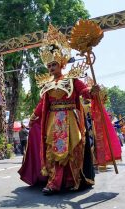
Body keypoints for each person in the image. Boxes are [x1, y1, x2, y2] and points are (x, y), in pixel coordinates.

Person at [19, 24, 99, 195]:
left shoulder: (72, 79)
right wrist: (33, 117)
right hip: (53, 121)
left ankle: (72, 180)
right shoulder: (47, 84)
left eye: (53, 64)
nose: (50, 68)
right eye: (48, 66)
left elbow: (84, 92)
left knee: (72, 149)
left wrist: (92, 92)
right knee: (53, 152)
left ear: (62, 64)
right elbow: (42, 104)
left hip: (70, 119)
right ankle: (54, 182)